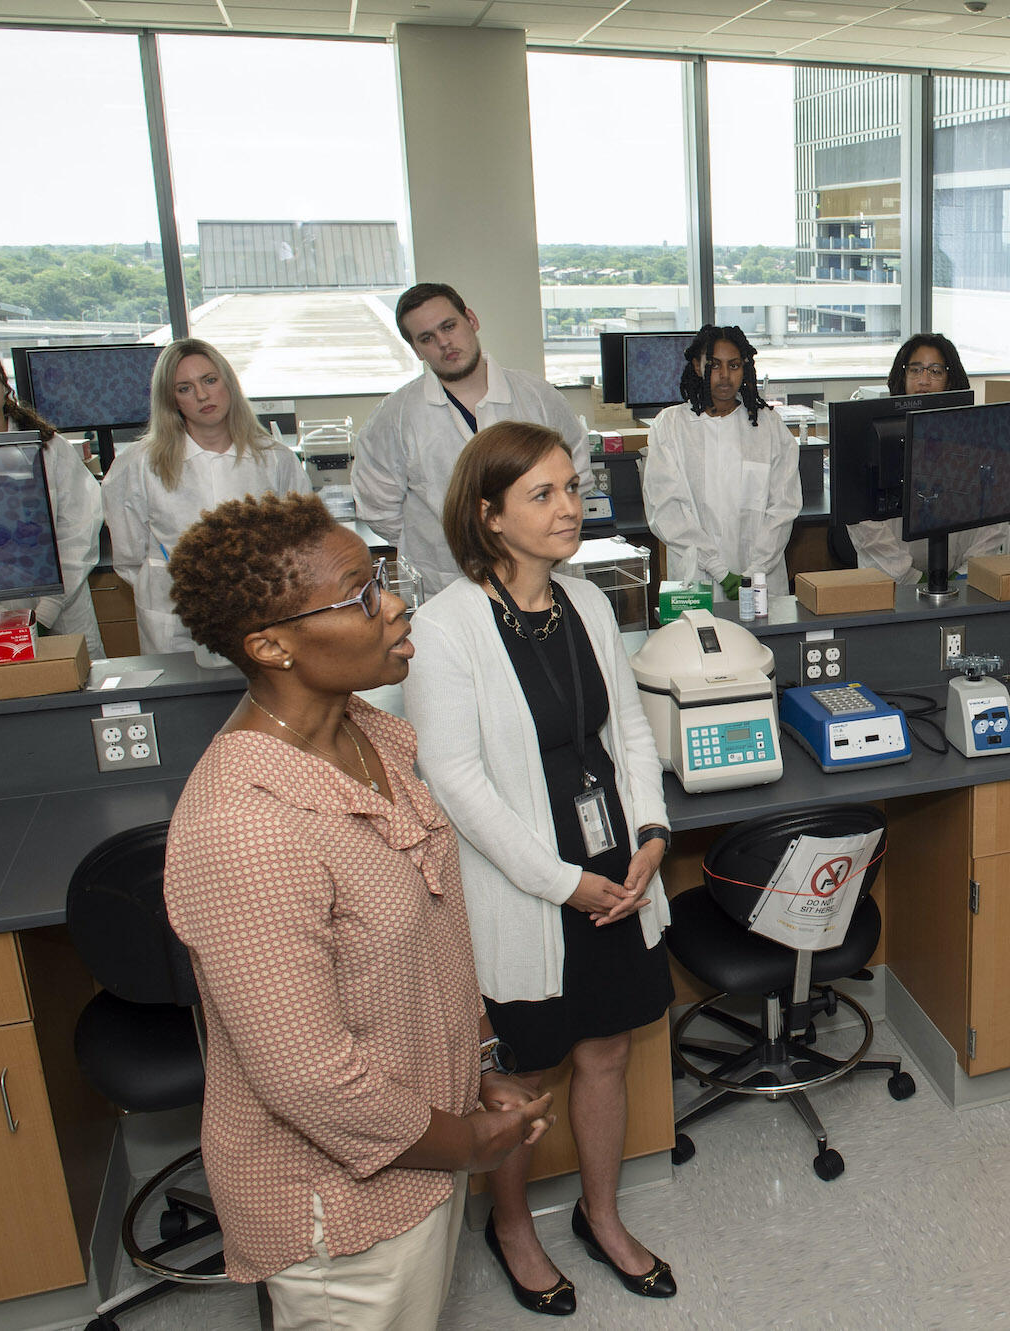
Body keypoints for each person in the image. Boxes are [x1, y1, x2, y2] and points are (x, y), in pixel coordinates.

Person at [162, 491, 554, 1329]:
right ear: (271, 645)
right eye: (359, 594)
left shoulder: (368, 734)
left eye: (382, 576)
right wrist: (470, 1144)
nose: (394, 601)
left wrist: (477, 1064)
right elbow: (315, 1082)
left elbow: (424, 953)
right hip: (341, 1207)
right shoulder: (245, 827)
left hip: (425, 1147)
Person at [402, 421, 676, 1315]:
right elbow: (455, 780)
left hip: (614, 865)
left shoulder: (588, 601)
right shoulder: (445, 629)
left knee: (606, 1050)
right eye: (546, 494)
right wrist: (562, 881)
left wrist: (649, 832)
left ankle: (601, 1215)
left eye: (572, 487)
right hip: (528, 884)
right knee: (521, 1076)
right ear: (489, 518)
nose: (573, 506)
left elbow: (626, 728)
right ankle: (513, 1227)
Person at [354, 282, 590, 591]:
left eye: (449, 326)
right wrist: (438, 545)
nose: (444, 343)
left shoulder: (539, 399)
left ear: (471, 320)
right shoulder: (394, 417)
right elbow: (377, 508)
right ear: (415, 349)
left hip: (539, 577)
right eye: (427, 338)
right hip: (444, 582)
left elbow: (578, 477)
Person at [102, 338, 309, 654]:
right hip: (172, 620)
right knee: (184, 700)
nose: (201, 395)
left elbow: (302, 544)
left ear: (228, 381)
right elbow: (130, 557)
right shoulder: (138, 464)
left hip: (259, 616)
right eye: (184, 388)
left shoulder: (275, 459)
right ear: (171, 400)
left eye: (209, 380)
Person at [0, 338, 105, 666]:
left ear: (3, 382)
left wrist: (44, 611)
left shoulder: (48, 447)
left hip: (60, 611)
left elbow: (79, 531)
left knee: (75, 703)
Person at [643, 324, 802, 598]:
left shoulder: (768, 426)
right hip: (697, 576)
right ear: (696, 366)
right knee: (699, 639)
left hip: (761, 579)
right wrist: (718, 569)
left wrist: (754, 572)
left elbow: (783, 507)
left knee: (762, 641)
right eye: (714, 366)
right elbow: (666, 509)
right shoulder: (670, 426)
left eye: (735, 365)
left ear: (745, 369)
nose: (725, 376)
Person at [849, 333, 1009, 586]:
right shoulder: (874, 436)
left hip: (960, 581)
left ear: (950, 378)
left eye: (935, 371)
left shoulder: (977, 438)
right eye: (915, 370)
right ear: (902, 376)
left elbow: (997, 515)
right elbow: (863, 524)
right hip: (888, 579)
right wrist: (913, 578)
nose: (924, 380)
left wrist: (966, 574)